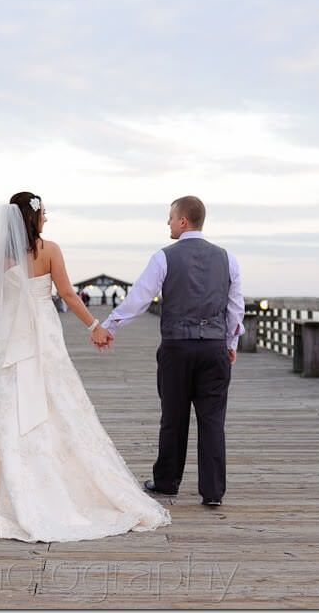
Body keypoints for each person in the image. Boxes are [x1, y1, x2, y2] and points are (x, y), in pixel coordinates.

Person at [0, 191, 170, 542]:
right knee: (54, 397)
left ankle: (0, 486)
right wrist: (95, 327)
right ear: (34, 215)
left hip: (9, 335)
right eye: (45, 212)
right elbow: (69, 296)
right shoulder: (50, 250)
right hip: (41, 334)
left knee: (4, 400)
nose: (48, 218)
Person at [102, 196, 243, 507]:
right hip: (214, 348)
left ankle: (167, 482)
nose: (167, 223)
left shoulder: (164, 257)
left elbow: (140, 297)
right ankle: (213, 491)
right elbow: (235, 308)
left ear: (183, 221)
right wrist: (231, 345)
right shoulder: (227, 258)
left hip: (177, 347)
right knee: (212, 420)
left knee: (174, 417)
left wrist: (109, 326)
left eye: (170, 217)